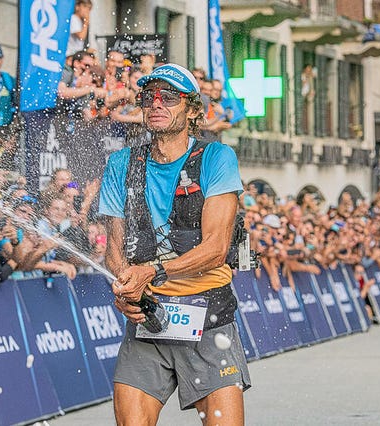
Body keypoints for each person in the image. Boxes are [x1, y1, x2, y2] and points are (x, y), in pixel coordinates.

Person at [98, 63, 251, 424]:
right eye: (148, 97)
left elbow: (216, 248)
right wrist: (124, 287)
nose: (156, 103)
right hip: (148, 318)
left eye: (169, 96)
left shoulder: (217, 157)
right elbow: (114, 248)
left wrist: (152, 270)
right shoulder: (121, 163)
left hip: (208, 315)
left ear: (193, 109)